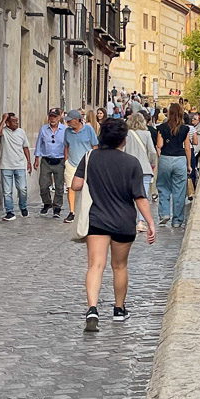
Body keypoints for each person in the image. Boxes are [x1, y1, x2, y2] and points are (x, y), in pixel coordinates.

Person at [72, 117, 155, 332]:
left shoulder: (90, 157)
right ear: (123, 140)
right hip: (123, 221)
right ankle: (119, 310)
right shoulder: (131, 163)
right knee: (119, 266)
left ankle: (92, 309)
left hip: (96, 219)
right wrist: (150, 223)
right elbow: (140, 198)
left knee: (95, 266)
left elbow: (76, 184)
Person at [154, 101, 192, 228]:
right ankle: (177, 220)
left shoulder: (162, 128)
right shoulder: (185, 129)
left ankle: (164, 213)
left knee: (163, 186)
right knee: (179, 191)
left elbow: (160, 145)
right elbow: (187, 148)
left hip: (165, 158)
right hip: (180, 159)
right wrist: (189, 164)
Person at [63, 110, 99, 222]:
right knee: (70, 187)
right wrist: (66, 161)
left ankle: (87, 211)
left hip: (87, 163)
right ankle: (72, 212)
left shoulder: (88, 129)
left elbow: (95, 145)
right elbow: (66, 146)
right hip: (72, 163)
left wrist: (94, 161)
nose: (68, 122)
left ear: (77, 120)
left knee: (87, 188)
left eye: (70, 120)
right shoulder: (67, 132)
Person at [0, 112, 32, 220]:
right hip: (6, 165)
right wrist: (3, 119)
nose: (16, 123)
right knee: (7, 191)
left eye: (17, 121)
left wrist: (28, 161)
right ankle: (9, 212)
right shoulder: (4, 132)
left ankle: (23, 206)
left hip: (20, 165)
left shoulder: (21, 132)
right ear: (7, 123)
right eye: (13, 121)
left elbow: (25, 147)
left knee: (22, 188)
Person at [124, 111, 157, 232]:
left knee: (128, 196)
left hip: (128, 169)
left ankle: (130, 220)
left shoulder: (126, 134)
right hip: (144, 168)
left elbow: (122, 151)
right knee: (143, 196)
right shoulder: (147, 134)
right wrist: (152, 163)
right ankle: (141, 221)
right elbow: (152, 152)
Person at [33, 107, 67, 216]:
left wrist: (67, 160)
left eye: (55, 117)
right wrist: (36, 159)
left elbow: (67, 145)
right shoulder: (43, 129)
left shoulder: (65, 130)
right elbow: (39, 144)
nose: (52, 119)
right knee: (43, 185)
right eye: (51, 116)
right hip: (46, 161)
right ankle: (47, 203)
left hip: (60, 160)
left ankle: (57, 207)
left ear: (59, 118)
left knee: (59, 186)